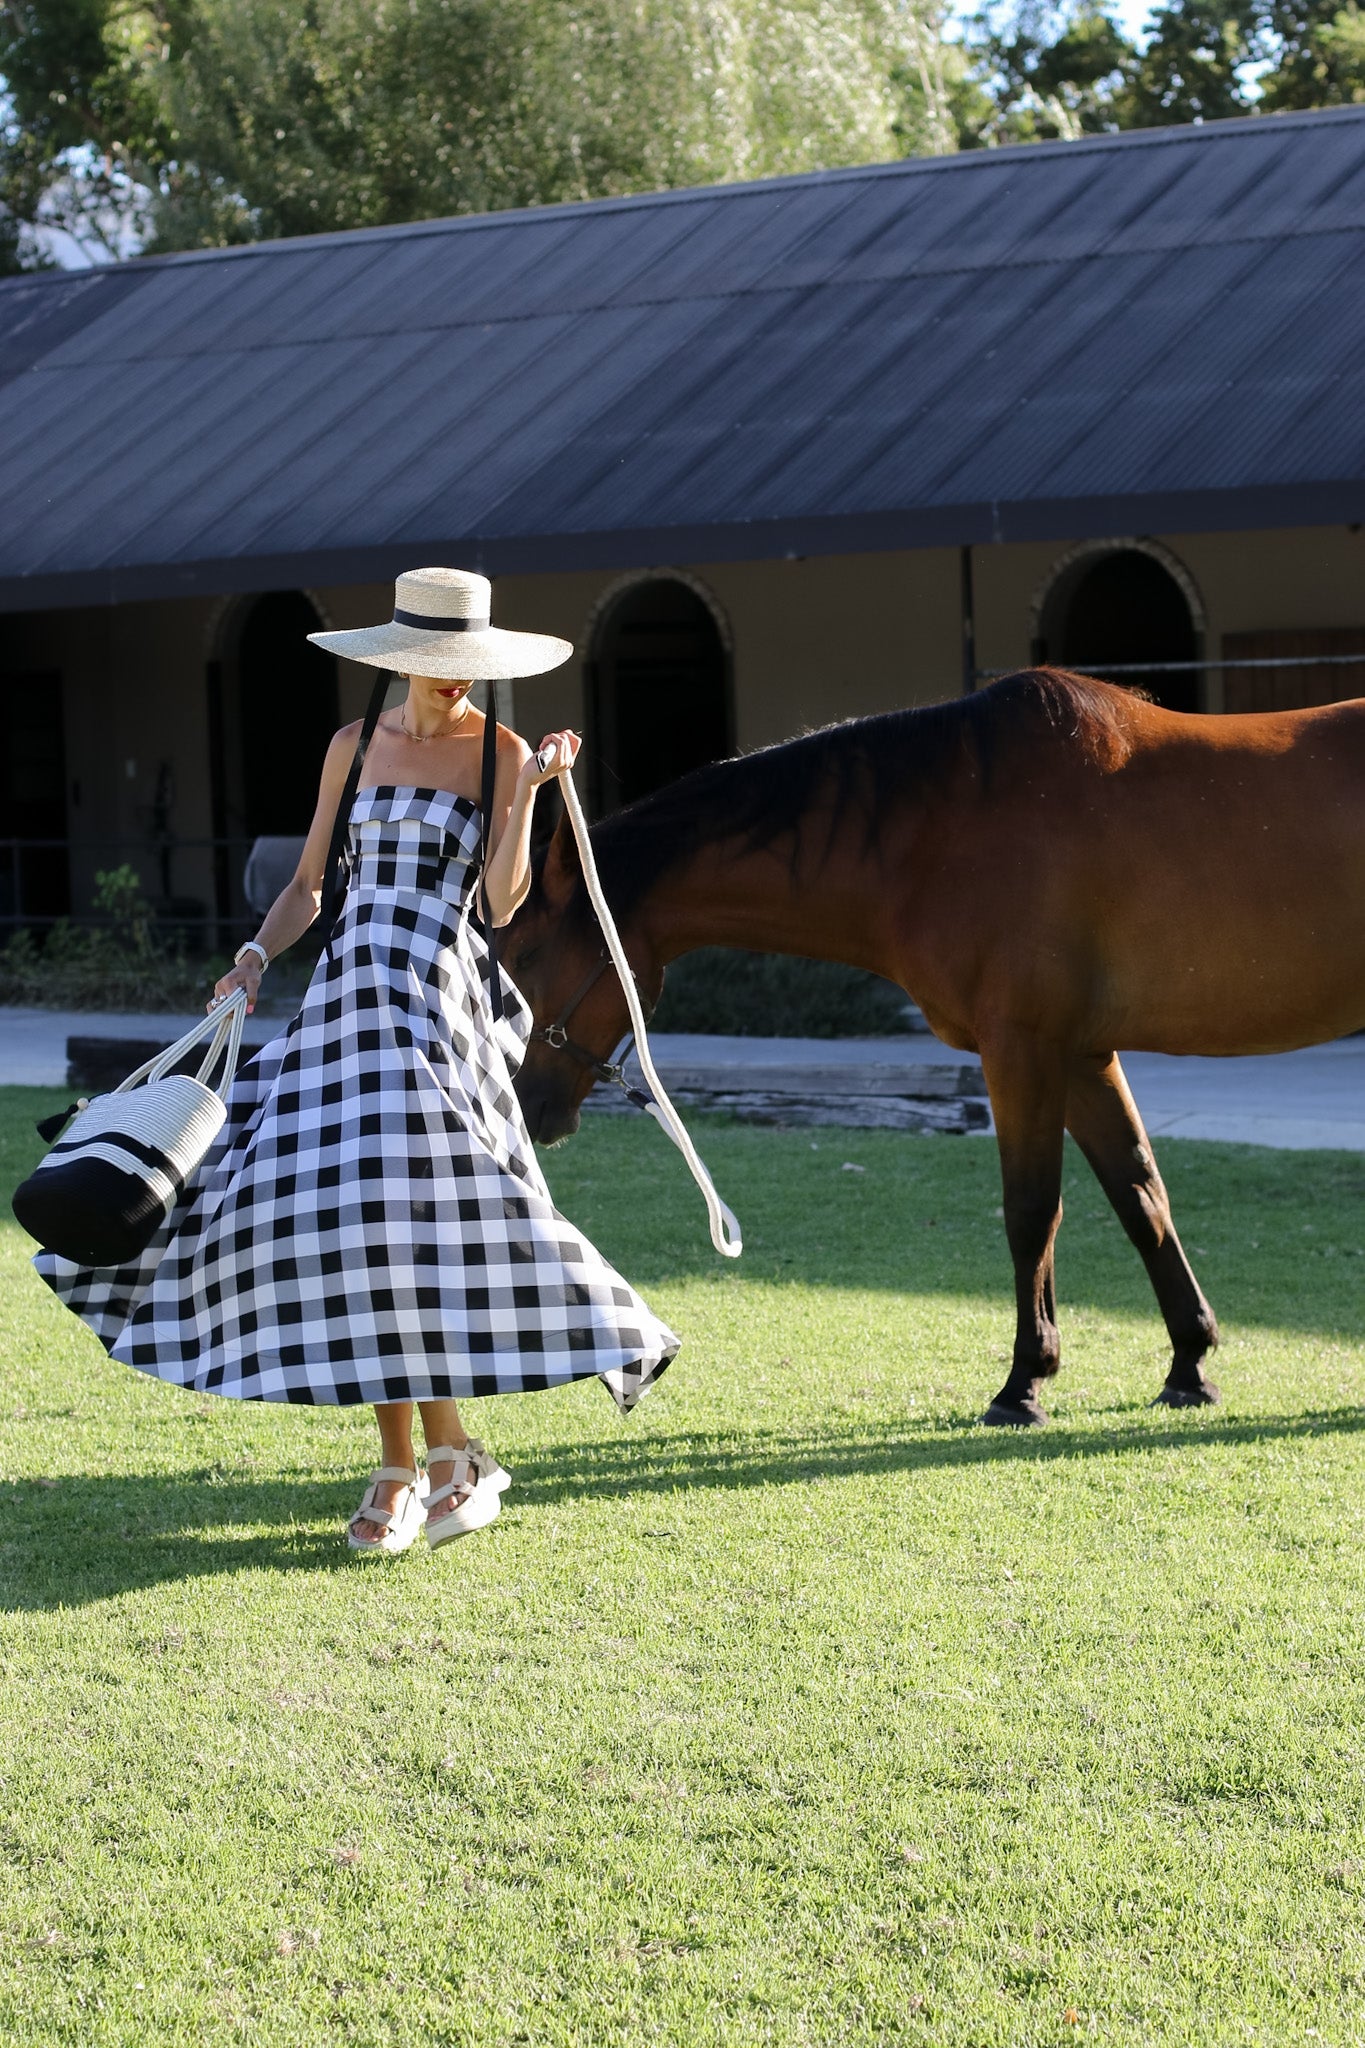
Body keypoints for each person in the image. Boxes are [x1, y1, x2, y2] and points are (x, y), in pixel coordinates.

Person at [34, 568, 679, 1554]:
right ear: (404, 660)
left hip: (438, 1003)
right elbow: (307, 887)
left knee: (423, 1216)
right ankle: (426, 1458)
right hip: (345, 1000)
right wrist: (253, 957)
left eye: (467, 664)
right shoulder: (352, 745)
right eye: (438, 663)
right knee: (352, 1222)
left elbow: (500, 904)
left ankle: (434, 1458)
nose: (453, 680)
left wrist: (533, 794)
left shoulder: (504, 752)